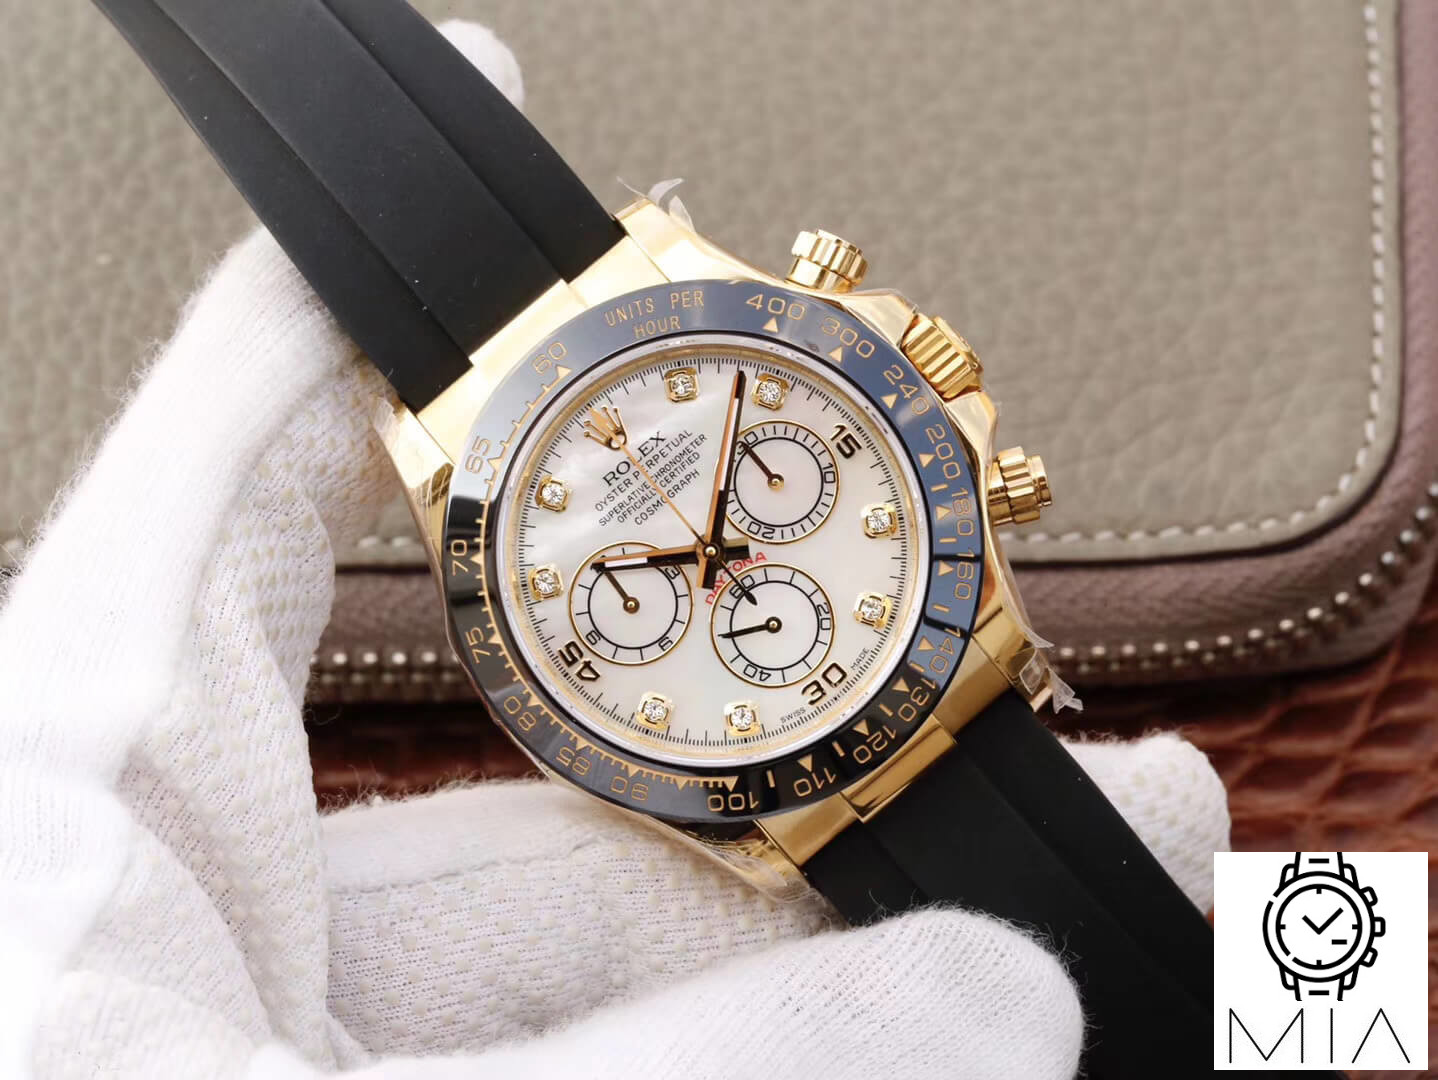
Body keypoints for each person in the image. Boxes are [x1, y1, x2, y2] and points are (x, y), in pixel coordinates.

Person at [0, 22, 1228, 1080]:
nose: (708, 557)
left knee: (1282, 962)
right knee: (1267, 953)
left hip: (951, 723)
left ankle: (1307, 1022)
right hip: (856, 762)